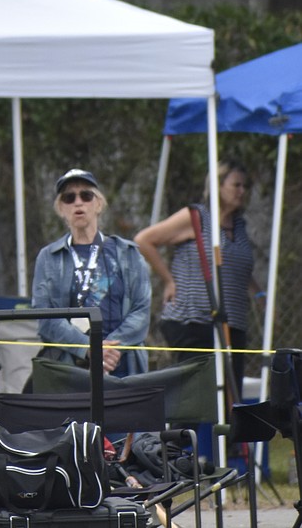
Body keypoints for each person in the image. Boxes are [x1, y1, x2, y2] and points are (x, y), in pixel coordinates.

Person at [134, 159, 260, 391]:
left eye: (246, 186)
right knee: (194, 394)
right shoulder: (196, 217)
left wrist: (260, 295)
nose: (242, 191)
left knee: (232, 397)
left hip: (232, 323)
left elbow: (238, 268)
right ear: (219, 185)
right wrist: (168, 280)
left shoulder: (240, 225)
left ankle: (227, 429)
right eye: (236, 185)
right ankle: (182, 429)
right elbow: (144, 240)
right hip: (193, 319)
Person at [32, 169, 151, 377]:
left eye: (86, 195)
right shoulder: (48, 257)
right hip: (69, 367)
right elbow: (45, 318)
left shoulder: (128, 253)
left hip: (122, 365)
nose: (78, 202)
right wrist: (89, 348)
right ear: (61, 208)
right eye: (69, 198)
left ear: (98, 204)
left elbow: (141, 311)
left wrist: (109, 350)